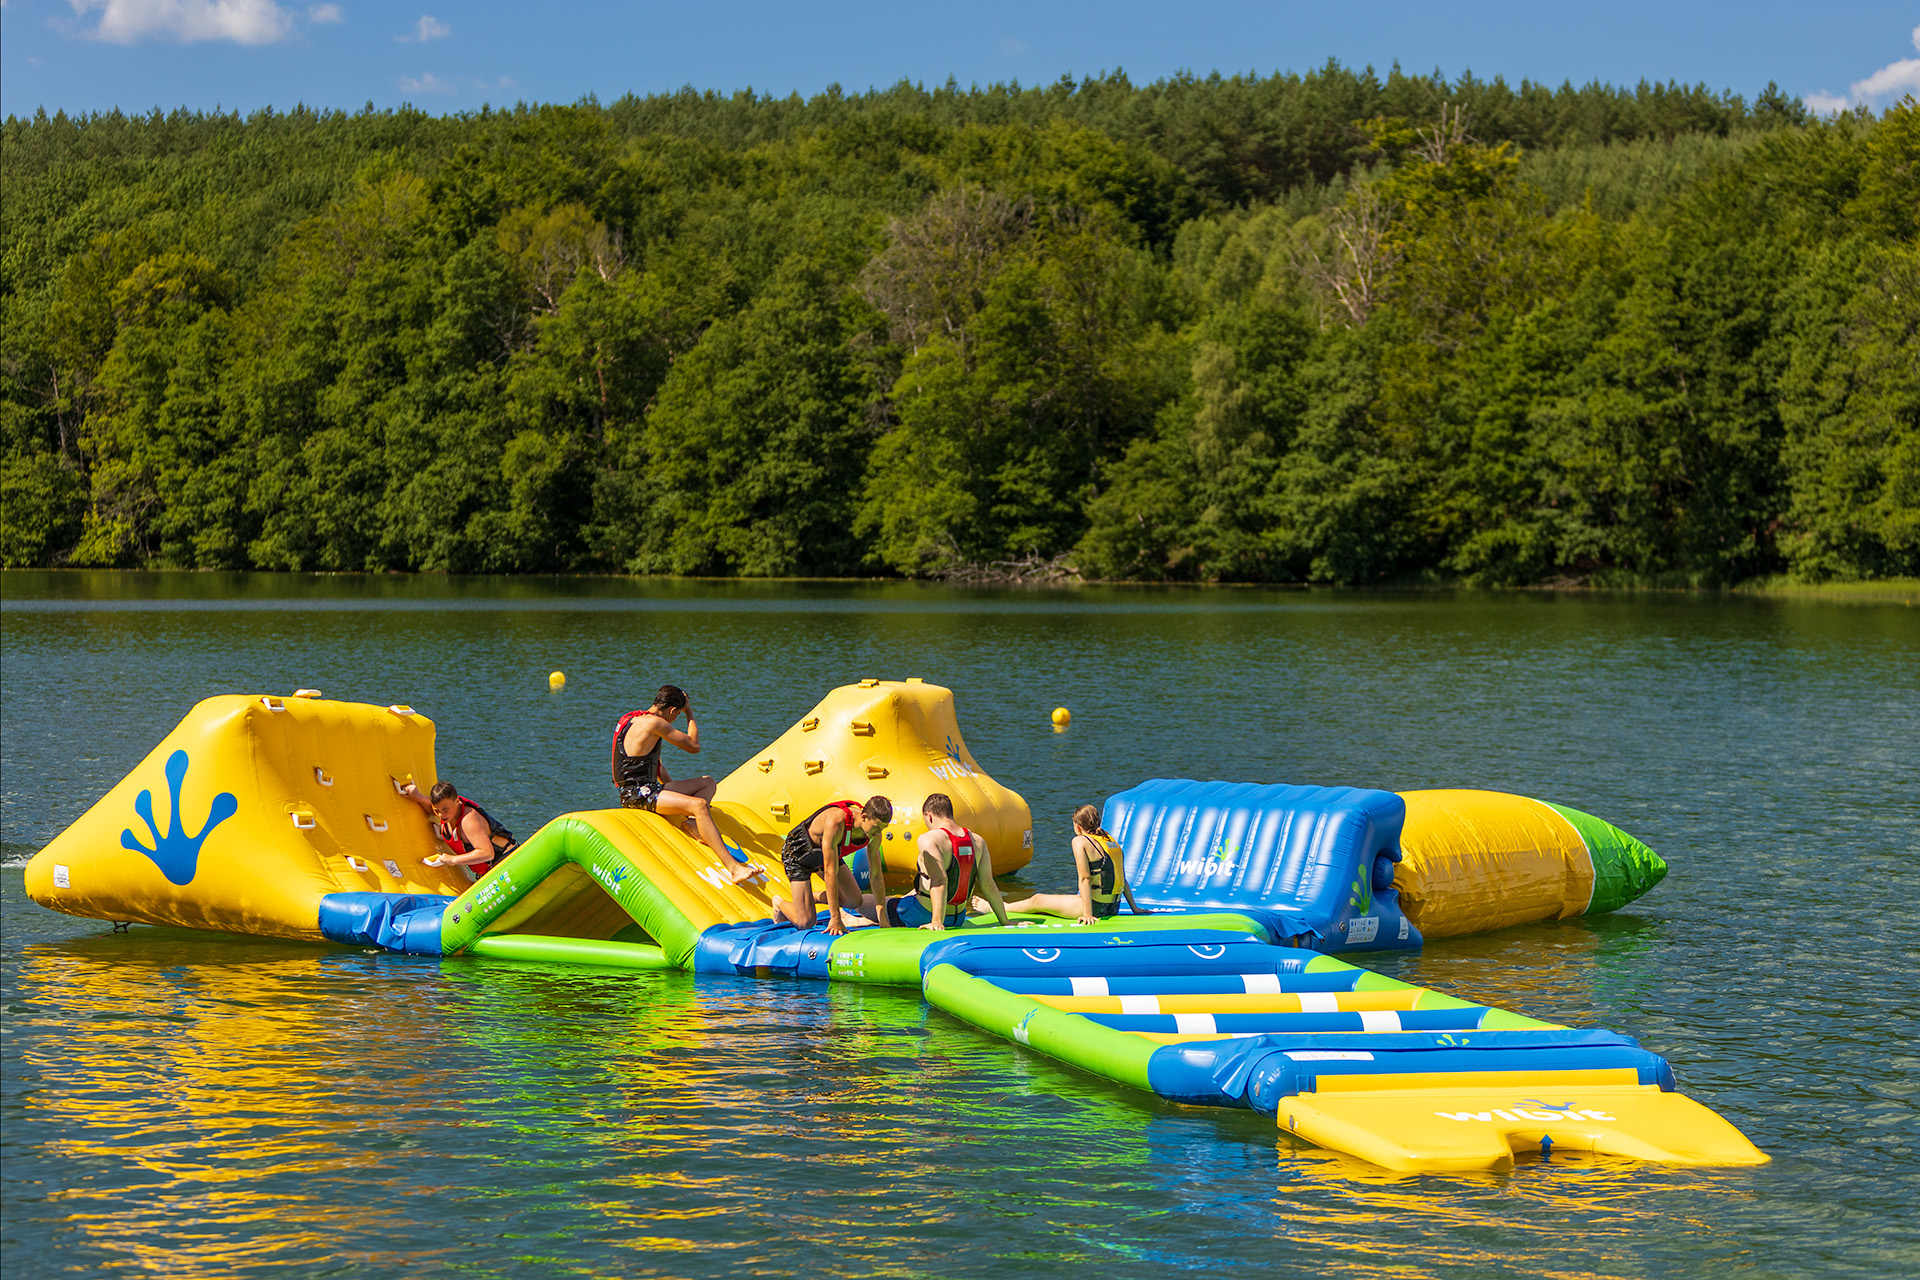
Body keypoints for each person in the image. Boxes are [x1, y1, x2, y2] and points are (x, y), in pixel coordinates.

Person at [613, 685, 757, 886]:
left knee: (707, 783)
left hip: (641, 790)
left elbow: (656, 766)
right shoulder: (656, 723)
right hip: (638, 795)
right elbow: (693, 746)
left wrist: (676, 798)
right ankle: (734, 869)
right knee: (699, 805)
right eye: (678, 714)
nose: (675, 719)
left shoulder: (632, 719)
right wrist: (689, 712)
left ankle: (692, 824)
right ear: (673, 710)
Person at [1003, 805, 1149, 925]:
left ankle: (1004, 907)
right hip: (1113, 907)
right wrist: (1134, 908)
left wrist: (1087, 914)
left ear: (1078, 827)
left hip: (1095, 908)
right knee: (1047, 908)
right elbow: (1121, 877)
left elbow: (1084, 878)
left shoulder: (1080, 841)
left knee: (1038, 899)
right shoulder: (1109, 840)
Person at [887, 793, 1011, 931]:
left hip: (924, 915)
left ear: (929, 816)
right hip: (958, 919)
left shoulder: (929, 839)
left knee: (879, 903)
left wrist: (936, 922)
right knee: (911, 894)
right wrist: (1005, 921)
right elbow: (988, 884)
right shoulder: (978, 841)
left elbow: (940, 880)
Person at [772, 797, 893, 936]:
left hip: (827, 854)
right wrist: (835, 918)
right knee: (806, 922)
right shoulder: (836, 822)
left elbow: (876, 875)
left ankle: (809, 898)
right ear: (864, 816)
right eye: (876, 827)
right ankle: (779, 903)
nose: (878, 833)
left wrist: (883, 920)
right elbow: (830, 872)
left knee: (854, 901)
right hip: (799, 853)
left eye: (882, 828)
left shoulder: (875, 834)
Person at [401, 780, 517, 876]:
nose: (441, 815)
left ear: (457, 801)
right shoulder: (448, 813)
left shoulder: (468, 820)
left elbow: (487, 853)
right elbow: (431, 808)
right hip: (488, 871)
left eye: (445, 809)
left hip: (506, 861)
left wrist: (452, 860)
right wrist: (418, 797)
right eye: (437, 811)